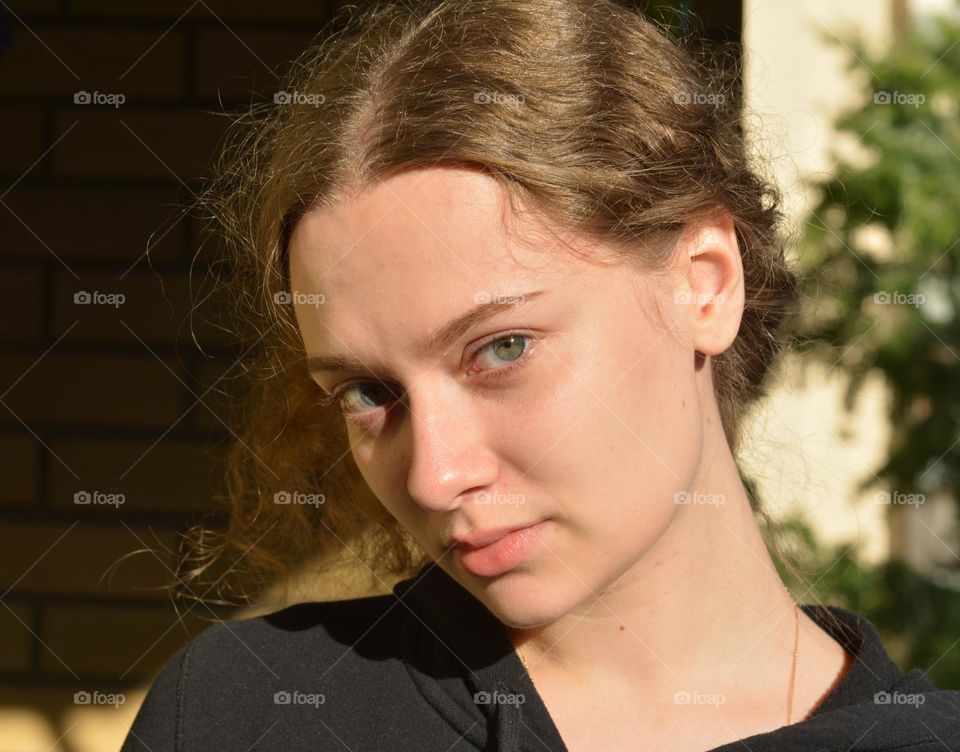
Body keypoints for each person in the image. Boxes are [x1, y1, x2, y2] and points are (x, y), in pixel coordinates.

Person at [121, 1, 960, 750]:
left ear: (704, 285)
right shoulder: (248, 715)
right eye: (369, 393)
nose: (436, 473)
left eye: (501, 349)